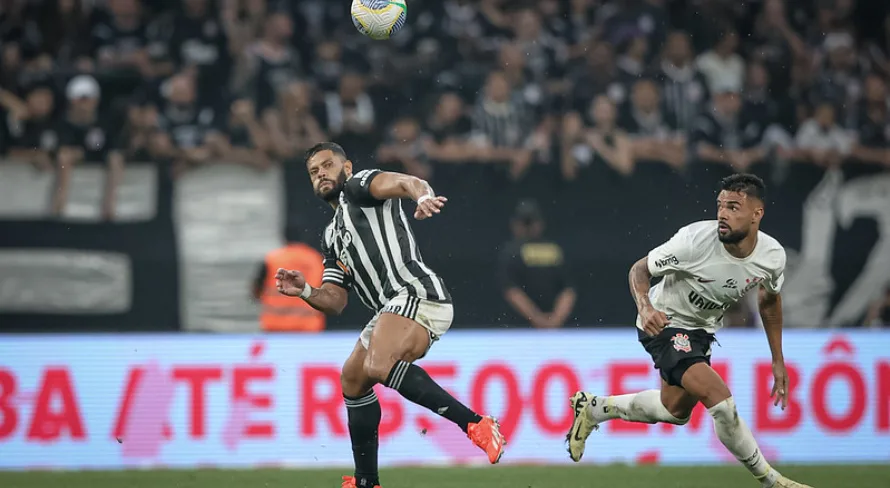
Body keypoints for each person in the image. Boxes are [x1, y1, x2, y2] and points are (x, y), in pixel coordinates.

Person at [275, 142, 505, 488]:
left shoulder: (358, 187)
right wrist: (306, 291)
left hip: (417, 292)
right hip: (390, 308)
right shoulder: (330, 235)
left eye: (327, 165)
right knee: (352, 380)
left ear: (347, 167)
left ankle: (475, 423)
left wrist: (422, 194)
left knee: (377, 365)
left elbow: (401, 182)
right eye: (313, 171)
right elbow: (336, 300)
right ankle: (368, 482)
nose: (321, 173)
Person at [566, 174, 813, 488]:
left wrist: (777, 359)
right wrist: (645, 305)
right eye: (720, 205)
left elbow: (769, 299)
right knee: (720, 402)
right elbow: (640, 270)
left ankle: (595, 408)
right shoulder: (694, 241)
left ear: (756, 214)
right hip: (663, 322)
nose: (723, 214)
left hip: (700, 332)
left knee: (675, 411)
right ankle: (772, 481)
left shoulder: (772, 256)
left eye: (733, 207)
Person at [498, 199, 576, 328]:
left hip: (520, 328)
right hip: (551, 326)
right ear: (540, 223)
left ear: (515, 224)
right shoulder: (554, 250)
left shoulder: (511, 251)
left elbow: (511, 290)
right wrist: (555, 320)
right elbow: (568, 290)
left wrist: (537, 319)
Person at [253, 222, 325, 333]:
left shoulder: (272, 258)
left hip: (275, 325)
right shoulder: (315, 259)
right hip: (308, 326)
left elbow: (256, 289)